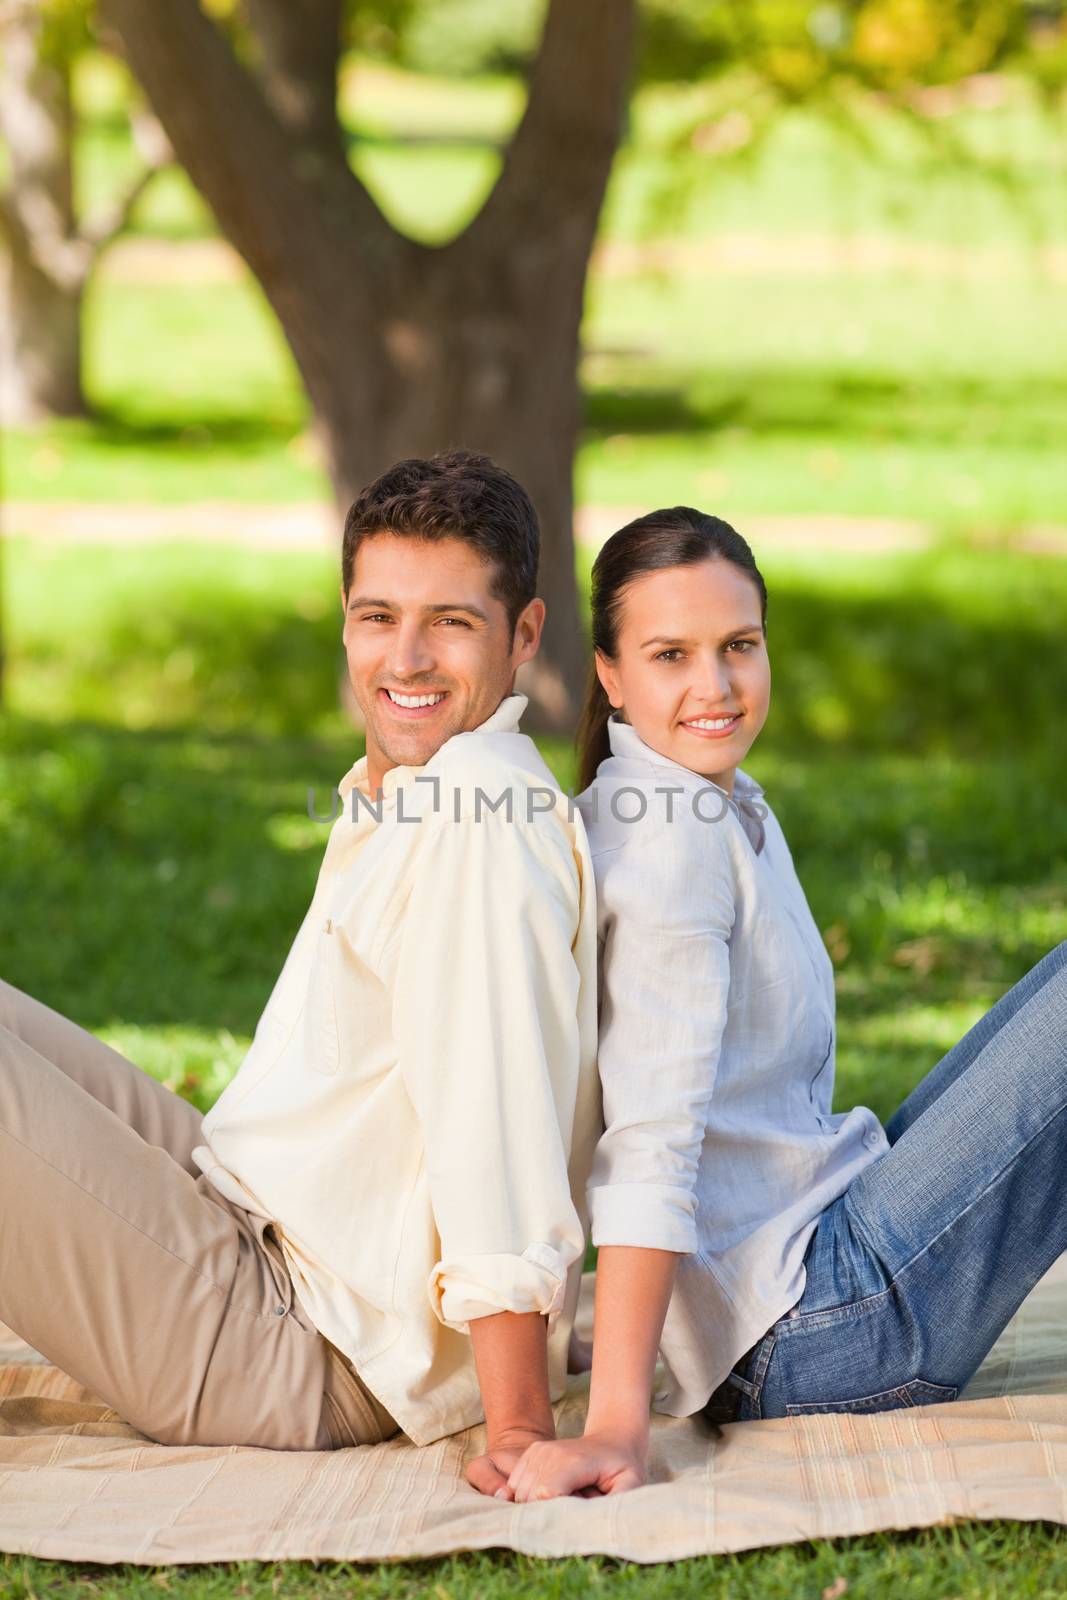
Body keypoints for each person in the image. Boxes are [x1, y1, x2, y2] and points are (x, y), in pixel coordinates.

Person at [0, 450, 600, 1499]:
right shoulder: (429, 783)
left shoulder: (478, 829)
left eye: (450, 623)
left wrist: (515, 1424)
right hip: (252, 1221)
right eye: (377, 617)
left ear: (526, 635)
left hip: (295, 1342)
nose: (404, 658)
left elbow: (491, 1120)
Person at [503, 505, 1067, 1503]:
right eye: (669, 654)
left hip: (817, 1239)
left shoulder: (695, 794)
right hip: (822, 1332)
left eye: (737, 646)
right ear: (608, 674)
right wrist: (619, 1424)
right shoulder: (672, 845)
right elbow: (648, 1138)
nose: (713, 686)